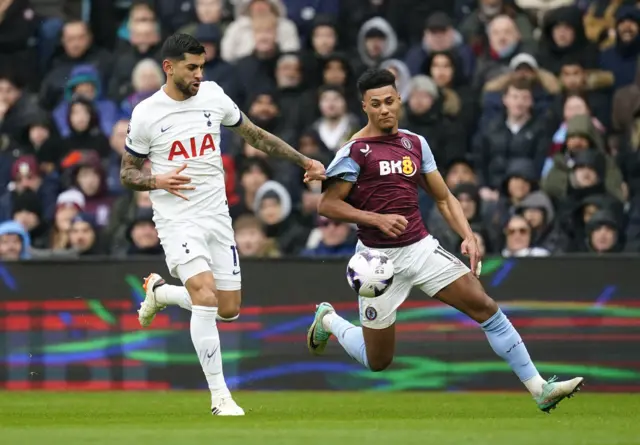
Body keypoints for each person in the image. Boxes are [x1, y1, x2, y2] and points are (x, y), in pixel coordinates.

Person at [306, 68, 583, 413]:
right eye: (375, 104)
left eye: (389, 101)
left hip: (420, 248)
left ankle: (539, 388)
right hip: (376, 264)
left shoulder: (414, 143)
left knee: (485, 307)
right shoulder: (355, 152)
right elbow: (328, 204)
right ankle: (328, 320)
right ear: (364, 106)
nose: (384, 110)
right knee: (378, 361)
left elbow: (443, 197)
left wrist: (467, 235)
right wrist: (376, 218)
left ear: (399, 100)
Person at [119, 33, 326, 416]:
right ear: (169, 67)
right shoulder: (147, 113)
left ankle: (161, 294)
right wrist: (156, 181)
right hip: (177, 219)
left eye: (202, 67)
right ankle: (220, 397)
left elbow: (255, 135)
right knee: (204, 295)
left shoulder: (214, 96)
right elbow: (127, 174)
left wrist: (305, 162)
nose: (199, 74)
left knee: (227, 308)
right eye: (191, 67)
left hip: (217, 216)